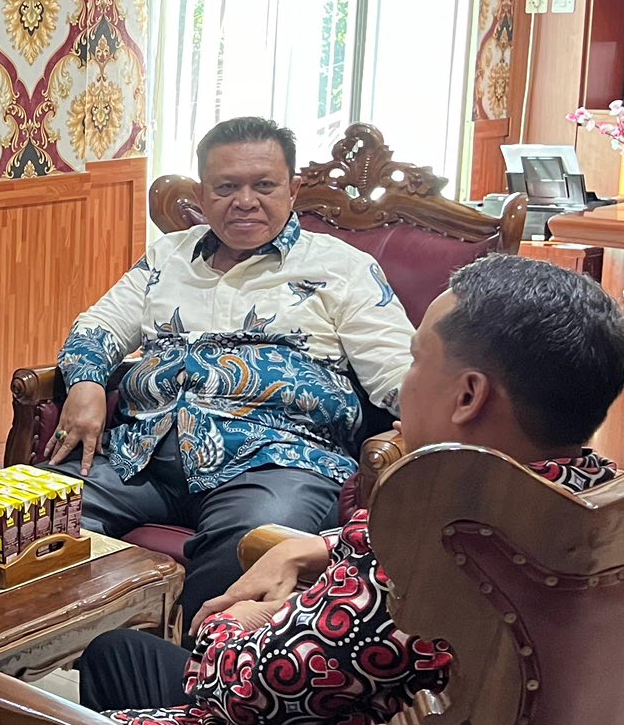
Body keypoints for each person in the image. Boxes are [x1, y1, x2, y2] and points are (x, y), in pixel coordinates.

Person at [76, 255, 624, 725]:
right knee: (119, 652)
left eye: (416, 361)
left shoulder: (429, 548)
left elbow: (243, 692)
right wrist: (316, 546)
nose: (404, 385)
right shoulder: (597, 501)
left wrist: (236, 622)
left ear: (468, 397)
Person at [47, 116, 414, 623]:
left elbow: (398, 369)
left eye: (264, 185)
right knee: (36, 515)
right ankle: (46, 657)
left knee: (254, 539)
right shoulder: (169, 257)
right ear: (202, 194)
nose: (245, 201)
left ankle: (197, 667)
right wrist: (87, 382)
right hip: (142, 455)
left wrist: (441, 420)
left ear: (292, 189)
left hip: (277, 462)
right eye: (225, 187)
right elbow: (99, 325)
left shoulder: (342, 268)